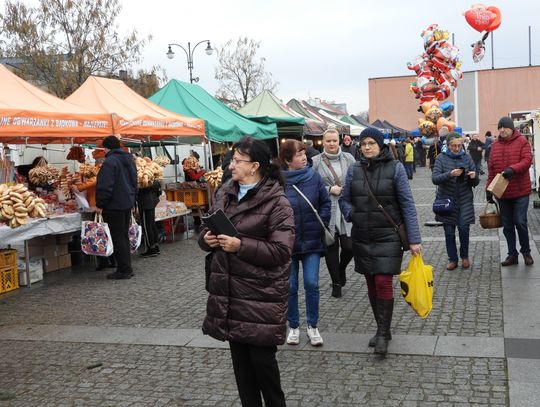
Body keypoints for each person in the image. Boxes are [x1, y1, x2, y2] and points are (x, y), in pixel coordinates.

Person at [198, 136, 294, 407]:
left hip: (261, 296)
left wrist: (241, 245)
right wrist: (207, 239)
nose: (231, 165)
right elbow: (207, 229)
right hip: (229, 295)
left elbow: (280, 251)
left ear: (255, 167)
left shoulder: (278, 203)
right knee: (241, 368)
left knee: (263, 366)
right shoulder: (224, 193)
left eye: (238, 160)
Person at [339, 127, 422, 355]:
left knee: (384, 281)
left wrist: (414, 240)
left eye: (371, 143)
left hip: (388, 235)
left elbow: (407, 205)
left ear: (380, 145)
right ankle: (381, 328)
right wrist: (350, 214)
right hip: (362, 236)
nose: (366, 147)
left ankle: (383, 334)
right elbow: (344, 200)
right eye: (363, 143)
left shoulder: (395, 168)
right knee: (371, 284)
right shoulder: (354, 170)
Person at [281, 139, 331, 347]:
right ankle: (293, 326)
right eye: (298, 155)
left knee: (311, 283)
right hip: (288, 243)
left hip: (312, 240)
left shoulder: (314, 177)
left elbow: (325, 203)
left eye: (304, 153)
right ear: (287, 160)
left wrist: (322, 224)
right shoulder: (278, 182)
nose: (304, 158)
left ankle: (312, 326)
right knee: (290, 286)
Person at [312, 128, 356, 298]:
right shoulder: (315, 161)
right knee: (331, 246)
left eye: (334, 141)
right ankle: (336, 283)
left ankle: (341, 269)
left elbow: (356, 178)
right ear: (323, 142)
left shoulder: (349, 158)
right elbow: (312, 185)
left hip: (346, 207)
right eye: (328, 141)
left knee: (349, 247)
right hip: (327, 208)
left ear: (339, 141)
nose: (331, 144)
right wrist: (329, 188)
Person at [487, 116, 534, 266]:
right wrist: (489, 189)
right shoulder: (494, 146)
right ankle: (512, 254)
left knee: (520, 222)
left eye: (504, 127)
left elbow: (527, 161)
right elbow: (491, 169)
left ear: (511, 128)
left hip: (520, 191)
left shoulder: (522, 142)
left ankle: (526, 252)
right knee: (507, 225)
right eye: (499, 128)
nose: (501, 130)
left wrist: (512, 169)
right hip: (503, 193)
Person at [432, 132, 479, 270]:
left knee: (464, 229)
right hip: (447, 200)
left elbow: (475, 182)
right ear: (448, 145)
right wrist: (450, 174)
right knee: (449, 232)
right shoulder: (441, 158)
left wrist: (473, 176)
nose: (457, 148)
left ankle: (464, 256)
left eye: (459, 145)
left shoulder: (467, 157)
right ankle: (452, 259)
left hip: (464, 199)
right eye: (453, 145)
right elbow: (435, 178)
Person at [96, 135, 138, 280]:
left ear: (106, 147)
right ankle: (126, 267)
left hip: (114, 205)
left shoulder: (110, 162)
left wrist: (100, 203)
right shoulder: (129, 160)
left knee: (118, 237)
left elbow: (105, 185)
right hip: (126, 203)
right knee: (124, 236)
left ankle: (124, 270)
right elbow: (134, 182)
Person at [73, 156, 116, 271]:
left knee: (100, 233)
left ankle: (107, 260)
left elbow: (83, 186)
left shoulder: (99, 176)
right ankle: (110, 259)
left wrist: (74, 186)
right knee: (105, 233)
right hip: (100, 207)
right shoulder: (106, 175)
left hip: (98, 208)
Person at [137, 179, 161, 257]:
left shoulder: (142, 178)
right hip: (151, 200)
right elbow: (157, 186)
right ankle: (156, 246)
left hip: (145, 202)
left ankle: (151, 249)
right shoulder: (152, 176)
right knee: (151, 224)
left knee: (147, 226)